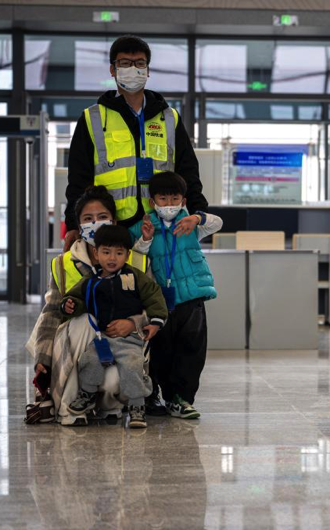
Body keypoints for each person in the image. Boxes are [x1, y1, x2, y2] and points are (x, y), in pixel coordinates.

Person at [63, 34, 209, 251]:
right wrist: (73, 224)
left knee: (163, 283)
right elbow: (78, 177)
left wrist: (198, 212)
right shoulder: (92, 118)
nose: (133, 69)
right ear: (113, 70)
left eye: (139, 63)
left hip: (162, 223)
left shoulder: (169, 117)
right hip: (114, 227)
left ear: (148, 70)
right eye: (124, 63)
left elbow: (188, 171)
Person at [26, 185, 152, 425]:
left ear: (114, 221)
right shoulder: (64, 264)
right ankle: (70, 409)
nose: (96, 223)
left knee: (116, 381)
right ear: (79, 225)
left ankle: (109, 407)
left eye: (102, 217)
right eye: (88, 219)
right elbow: (50, 314)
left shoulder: (137, 260)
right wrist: (42, 358)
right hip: (75, 345)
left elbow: (152, 308)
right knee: (84, 320)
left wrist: (132, 323)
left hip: (122, 344)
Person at [129, 171, 222, 419]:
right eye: (163, 198)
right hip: (161, 301)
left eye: (174, 198)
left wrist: (197, 217)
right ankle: (161, 395)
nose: (169, 204)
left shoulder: (190, 224)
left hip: (192, 299)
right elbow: (133, 253)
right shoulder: (145, 225)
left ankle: (182, 398)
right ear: (152, 202)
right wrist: (146, 240)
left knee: (192, 348)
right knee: (162, 350)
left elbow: (218, 223)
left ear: (182, 200)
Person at [61, 224, 168, 429]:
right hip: (101, 338)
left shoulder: (135, 277)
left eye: (119, 253)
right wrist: (69, 305)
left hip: (129, 339)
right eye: (106, 252)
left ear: (127, 255)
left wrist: (155, 322)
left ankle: (137, 406)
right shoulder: (91, 281)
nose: (112, 258)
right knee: (89, 360)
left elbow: (155, 298)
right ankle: (87, 394)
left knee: (132, 366)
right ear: (96, 252)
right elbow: (75, 299)